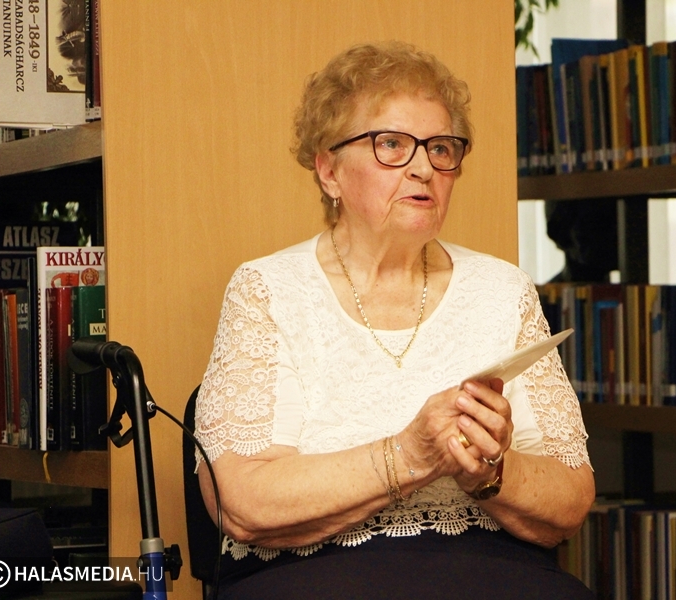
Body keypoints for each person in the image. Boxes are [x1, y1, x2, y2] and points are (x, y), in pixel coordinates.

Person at [193, 40, 596, 599]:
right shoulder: (267, 290)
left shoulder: (503, 289)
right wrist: (409, 455)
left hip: (490, 575)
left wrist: (490, 472)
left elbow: (571, 498)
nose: (424, 168)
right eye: (392, 145)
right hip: (313, 580)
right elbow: (241, 501)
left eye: (441, 148)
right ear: (328, 170)